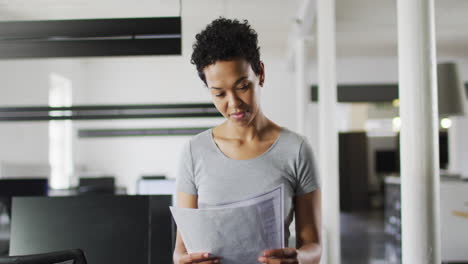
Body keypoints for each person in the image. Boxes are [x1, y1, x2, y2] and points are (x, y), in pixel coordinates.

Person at [173, 17, 322, 264]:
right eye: (219, 93)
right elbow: (180, 251)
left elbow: (314, 246)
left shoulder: (296, 150)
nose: (233, 103)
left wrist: (297, 258)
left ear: (260, 74)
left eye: (242, 86)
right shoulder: (194, 151)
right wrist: (184, 261)